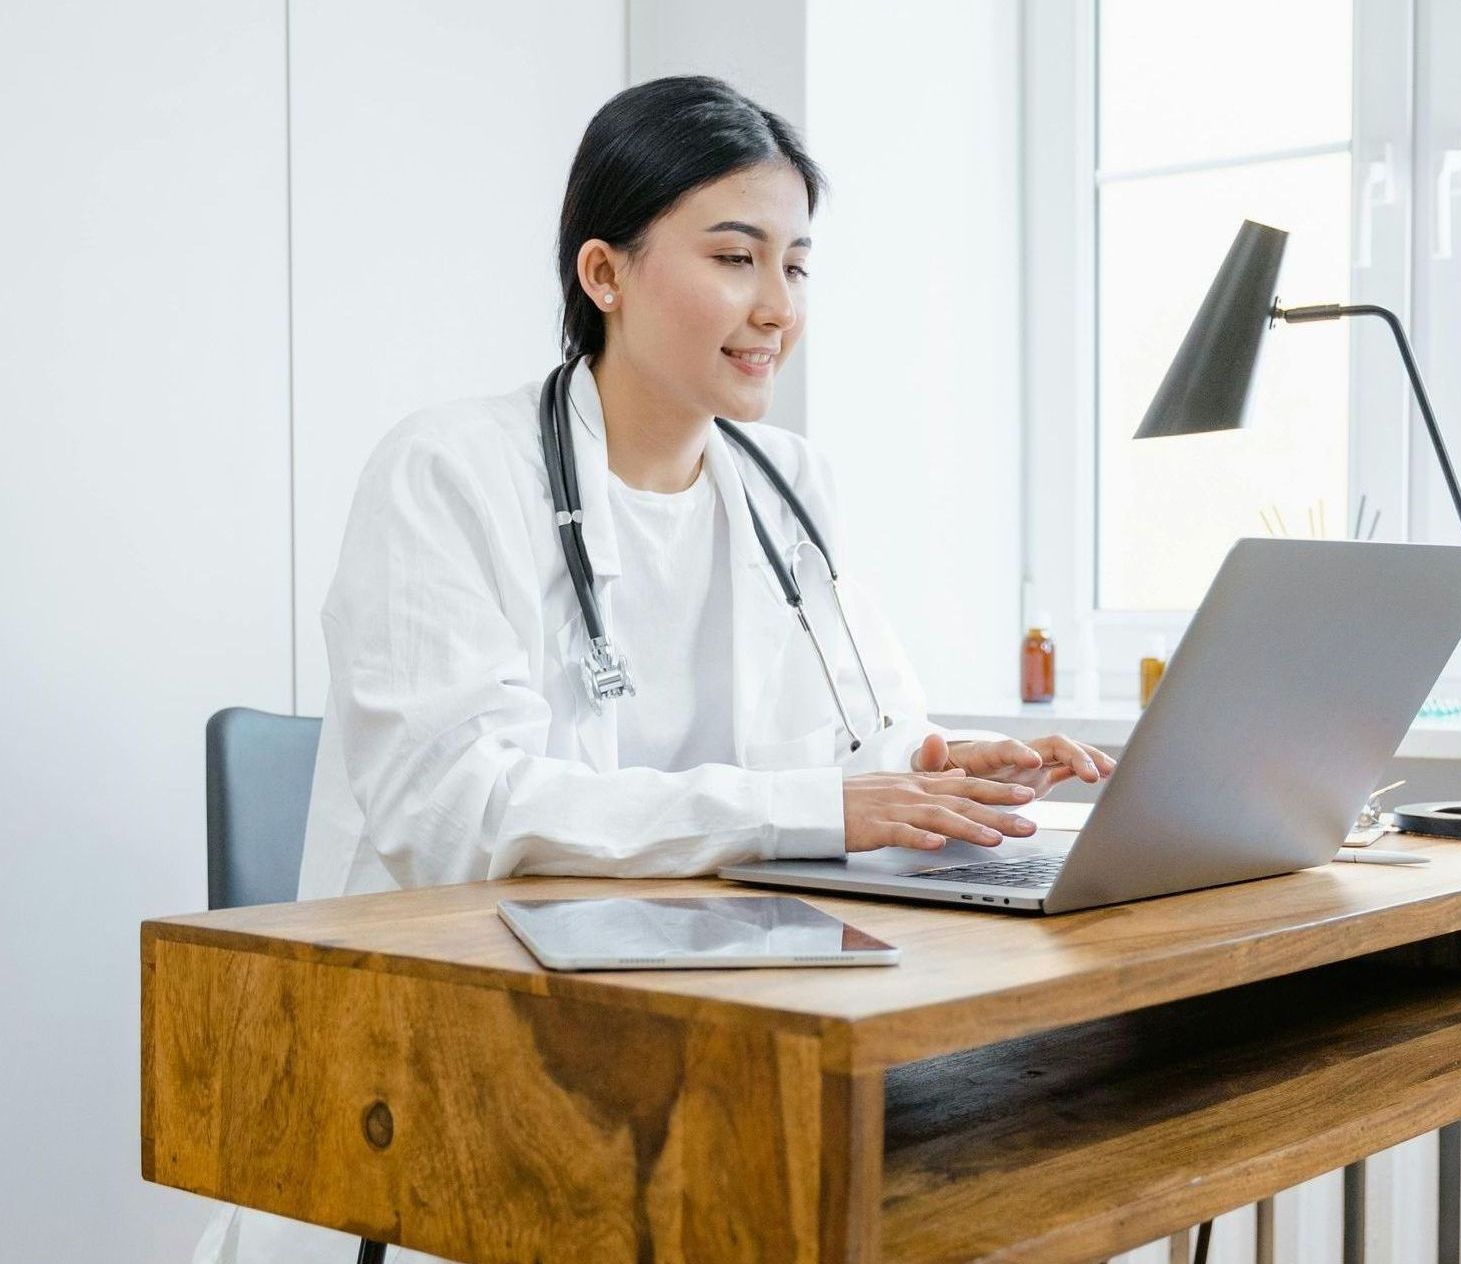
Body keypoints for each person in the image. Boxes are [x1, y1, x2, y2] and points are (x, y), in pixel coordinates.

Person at [193, 74, 1113, 1264]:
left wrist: (937, 766)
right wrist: (817, 805)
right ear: (604, 274)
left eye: (794, 264)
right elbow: (456, 812)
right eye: (734, 256)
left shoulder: (788, 482)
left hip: (713, 1031)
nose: (775, 305)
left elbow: (860, 742)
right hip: (456, 1058)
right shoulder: (449, 474)